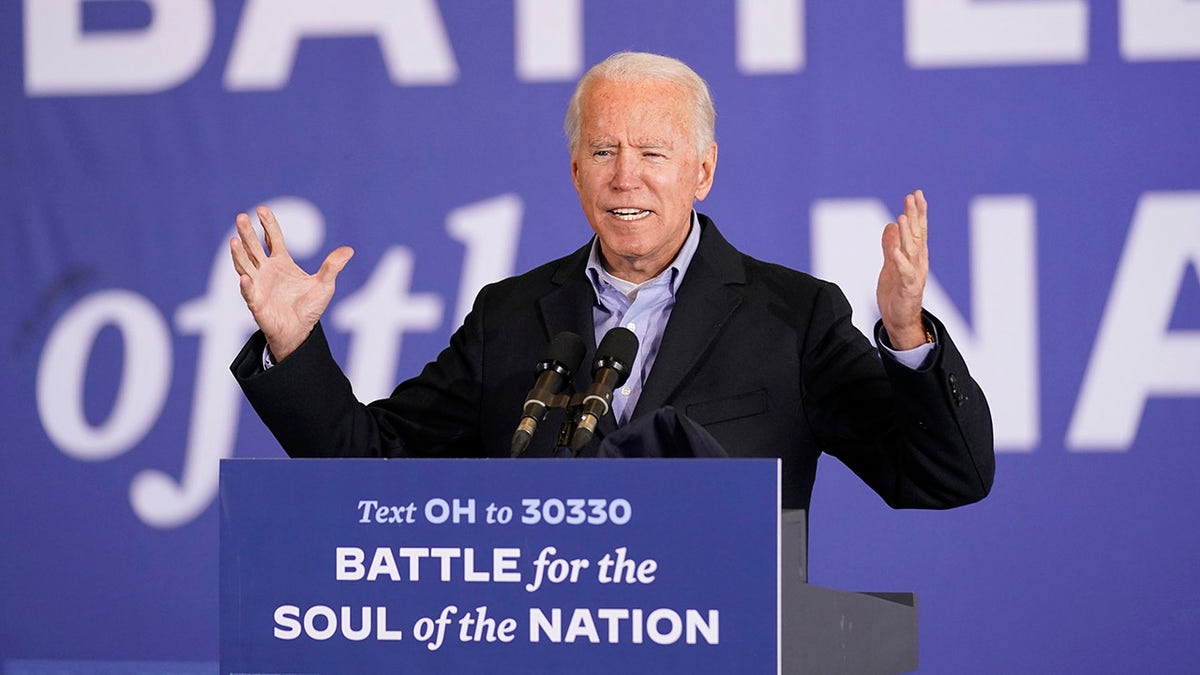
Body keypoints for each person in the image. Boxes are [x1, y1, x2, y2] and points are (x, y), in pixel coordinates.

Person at [229, 51, 994, 510]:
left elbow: (944, 474)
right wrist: (294, 345)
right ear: (573, 170)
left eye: (653, 153)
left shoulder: (793, 318)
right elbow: (375, 463)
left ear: (703, 170)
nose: (626, 176)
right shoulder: (511, 318)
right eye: (602, 152)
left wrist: (904, 334)